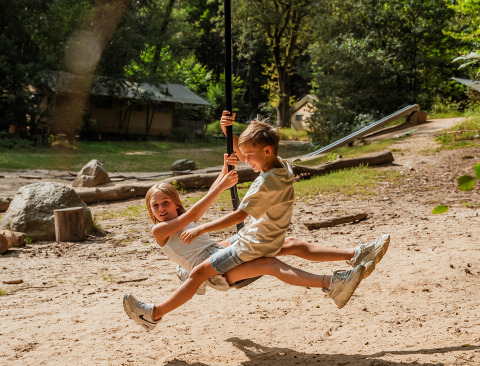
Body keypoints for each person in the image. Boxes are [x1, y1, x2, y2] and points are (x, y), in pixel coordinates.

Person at [123, 114, 389, 330]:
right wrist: (228, 144)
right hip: (218, 266)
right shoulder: (281, 164)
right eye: (155, 205)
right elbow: (197, 213)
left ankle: (352, 259)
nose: (160, 208)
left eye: (165, 203)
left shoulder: (261, 183)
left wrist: (224, 173)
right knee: (208, 269)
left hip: (219, 255)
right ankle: (156, 311)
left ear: (177, 204)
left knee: (277, 248)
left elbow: (206, 215)